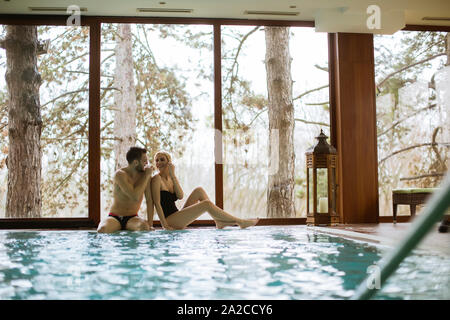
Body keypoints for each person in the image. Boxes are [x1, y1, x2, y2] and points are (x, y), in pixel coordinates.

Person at [149, 151, 259, 230]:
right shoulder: (156, 179)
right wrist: (165, 226)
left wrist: (173, 175)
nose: (159, 162)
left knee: (199, 190)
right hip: (169, 220)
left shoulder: (171, 179)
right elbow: (157, 204)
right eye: (157, 160)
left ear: (169, 162)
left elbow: (180, 196)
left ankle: (218, 221)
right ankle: (239, 221)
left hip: (177, 215)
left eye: (162, 159)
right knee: (206, 204)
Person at [97, 147, 154, 233]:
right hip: (115, 217)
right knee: (102, 230)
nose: (147, 163)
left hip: (132, 218)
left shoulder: (144, 176)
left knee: (144, 227)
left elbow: (149, 200)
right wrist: (146, 176)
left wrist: (150, 224)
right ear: (135, 162)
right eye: (144, 161)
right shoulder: (120, 175)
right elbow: (134, 196)